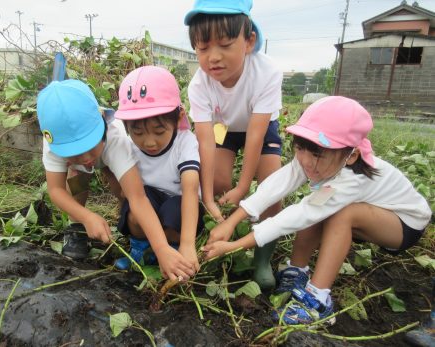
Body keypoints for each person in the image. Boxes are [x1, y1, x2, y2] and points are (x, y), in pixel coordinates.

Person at [203, 96, 431, 325]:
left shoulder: (352, 179)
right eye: (300, 148)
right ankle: (296, 271)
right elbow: (276, 184)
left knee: (335, 212)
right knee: (319, 205)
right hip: (372, 212)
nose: (306, 161)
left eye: (317, 154)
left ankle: (317, 299)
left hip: (404, 223)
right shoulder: (315, 159)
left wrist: (234, 245)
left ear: (351, 155)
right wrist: (232, 221)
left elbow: (301, 214)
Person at [37, 79, 195, 282]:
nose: (86, 158)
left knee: (123, 194)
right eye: (75, 153)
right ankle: (76, 228)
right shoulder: (55, 141)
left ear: (102, 122)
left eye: (89, 148)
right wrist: (86, 217)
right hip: (78, 167)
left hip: (108, 154)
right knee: (77, 179)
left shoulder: (116, 138)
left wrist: (161, 248)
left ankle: (131, 233)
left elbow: (138, 197)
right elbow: (56, 190)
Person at [184, 0, 284, 289]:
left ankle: (262, 258)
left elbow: (255, 135)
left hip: (261, 128)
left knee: (271, 188)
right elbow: (204, 140)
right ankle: (210, 231)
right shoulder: (199, 85)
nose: (213, 57)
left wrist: (243, 187)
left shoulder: (267, 72)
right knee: (216, 180)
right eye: (203, 49)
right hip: (224, 129)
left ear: (249, 41)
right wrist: (207, 195)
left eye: (225, 44)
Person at [113, 66, 203, 272]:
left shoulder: (185, 142)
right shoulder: (128, 146)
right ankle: (141, 252)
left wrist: (188, 245)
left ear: (178, 117)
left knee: (174, 212)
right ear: (127, 127)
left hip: (180, 204)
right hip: (148, 202)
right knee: (135, 211)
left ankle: (173, 253)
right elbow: (130, 194)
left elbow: (190, 189)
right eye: (138, 133)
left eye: (159, 131)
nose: (149, 142)